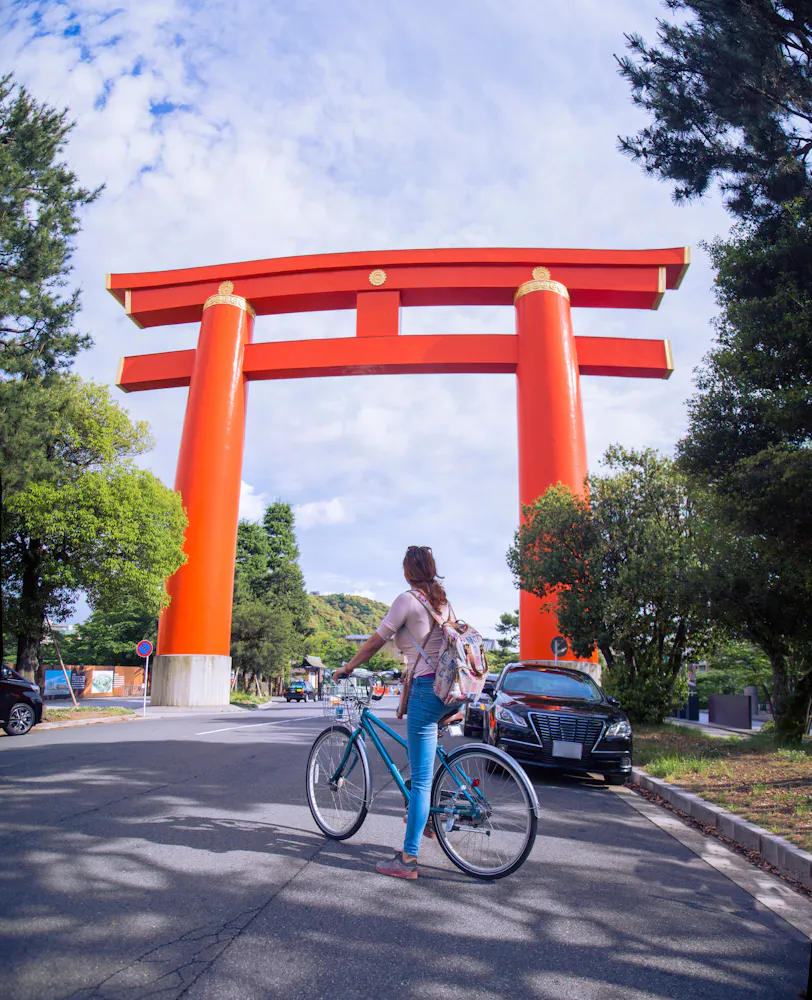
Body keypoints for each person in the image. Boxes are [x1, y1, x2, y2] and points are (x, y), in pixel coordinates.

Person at [335, 545, 456, 880]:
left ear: (407, 571)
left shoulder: (407, 599)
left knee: (419, 780)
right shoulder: (442, 601)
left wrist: (348, 666)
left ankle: (408, 859)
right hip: (451, 690)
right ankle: (429, 820)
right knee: (425, 766)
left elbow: (375, 642)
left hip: (426, 690)